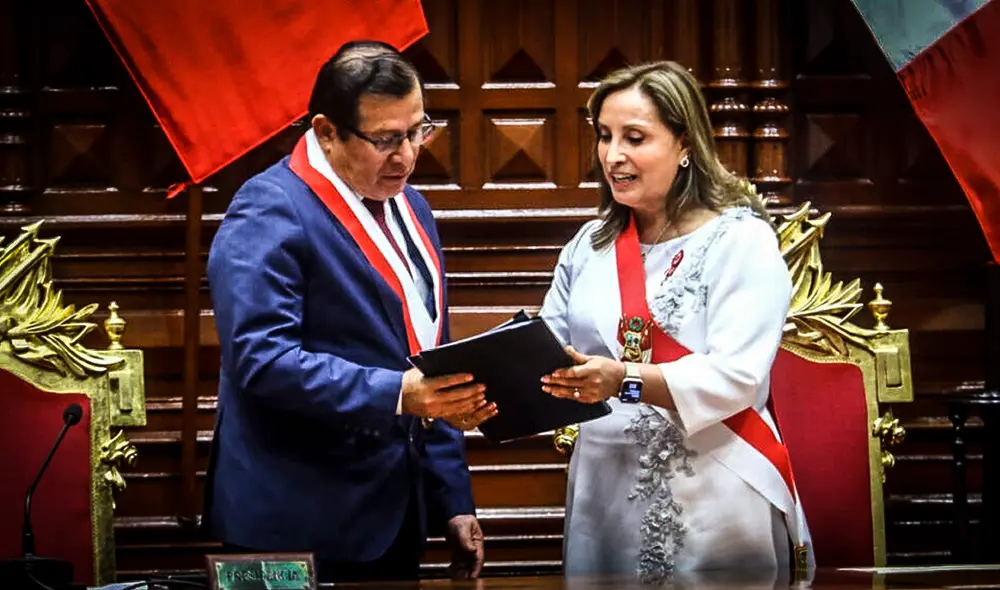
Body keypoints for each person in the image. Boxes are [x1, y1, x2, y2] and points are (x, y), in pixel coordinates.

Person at [202, 40, 498, 584]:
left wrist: (452, 497)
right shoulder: (268, 208)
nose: (407, 155)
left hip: (391, 516)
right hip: (289, 519)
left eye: (417, 131)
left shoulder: (413, 205)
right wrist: (395, 393)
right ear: (326, 132)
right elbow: (261, 359)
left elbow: (431, 359)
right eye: (386, 139)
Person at [537, 61, 814, 582]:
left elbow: (738, 377)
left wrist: (625, 379)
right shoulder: (588, 246)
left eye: (634, 137)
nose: (613, 155)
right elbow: (546, 347)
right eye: (605, 136)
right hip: (605, 487)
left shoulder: (741, 243)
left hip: (717, 484)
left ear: (685, 144)